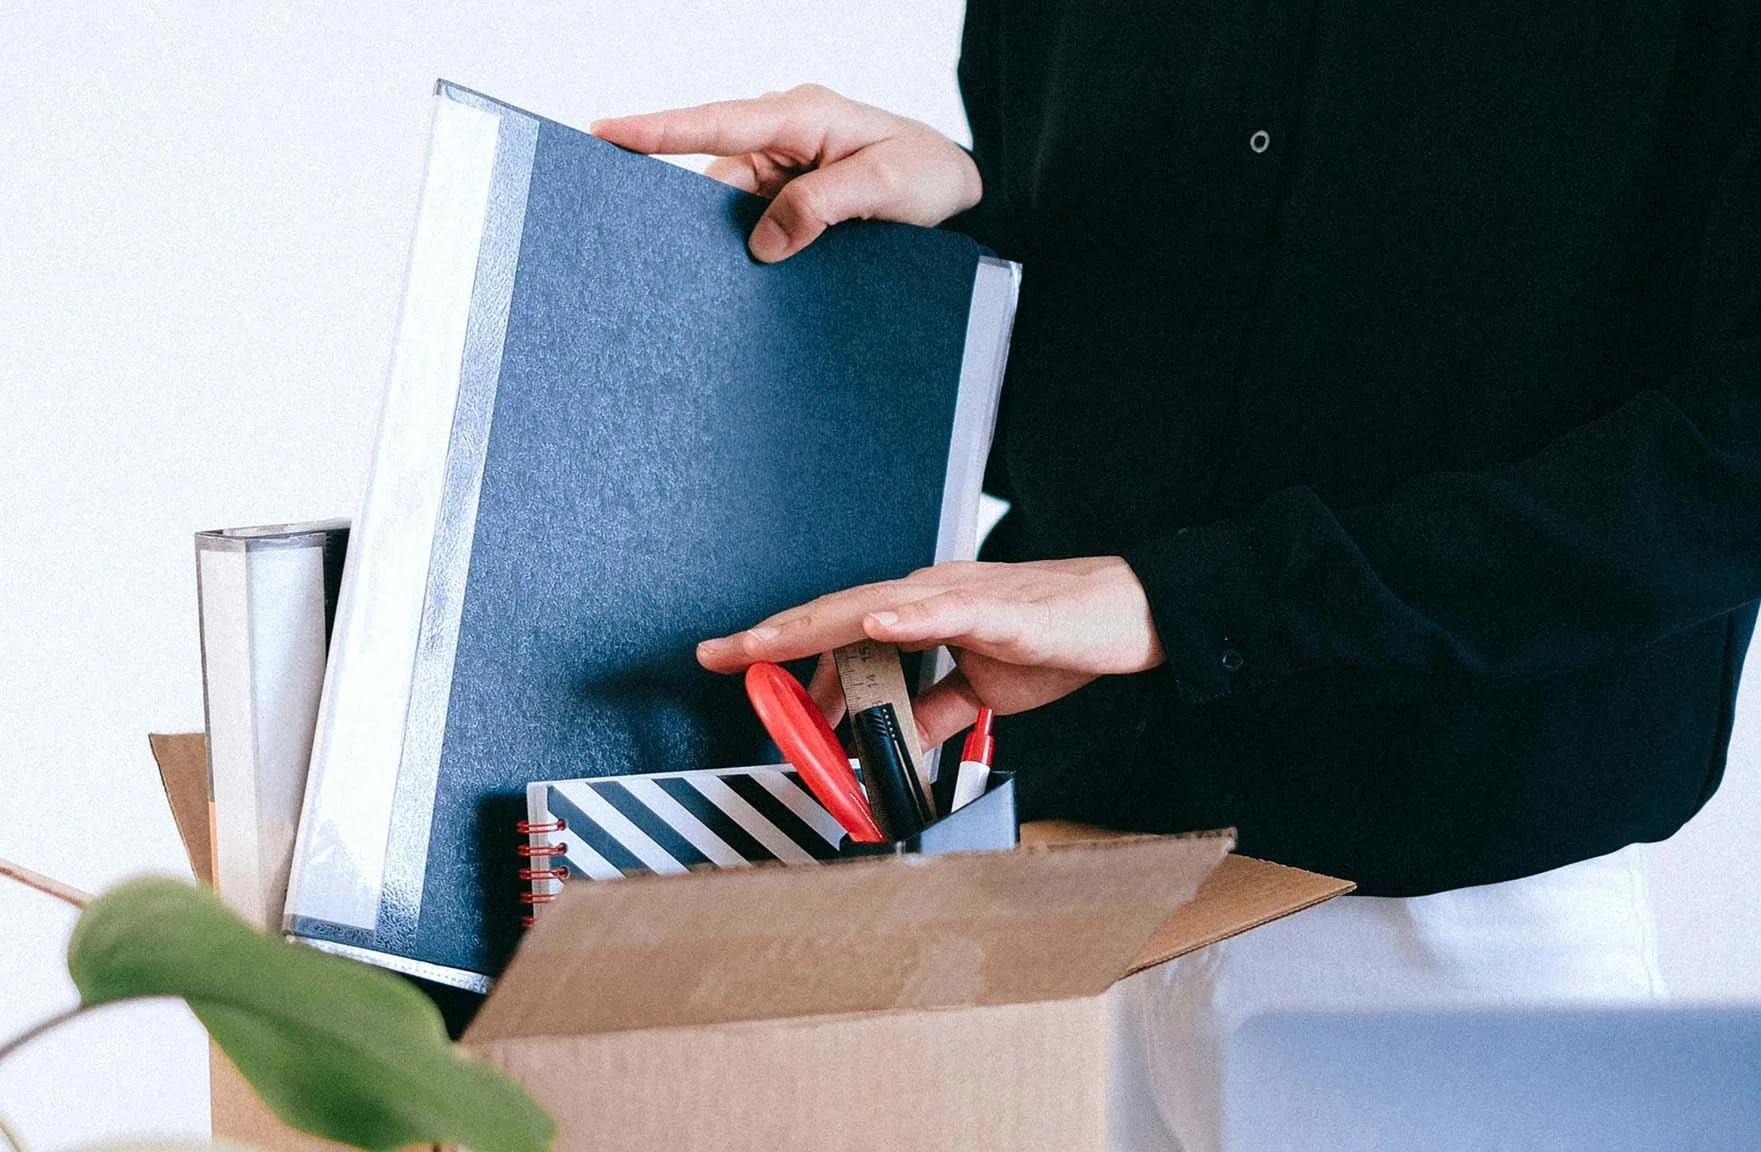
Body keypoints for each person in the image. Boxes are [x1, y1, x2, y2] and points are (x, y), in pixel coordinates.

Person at [594, 2, 1760, 1145]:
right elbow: (1146, 362)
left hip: (1440, 924)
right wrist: (945, 238)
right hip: (1042, 885)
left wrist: (1188, 603)